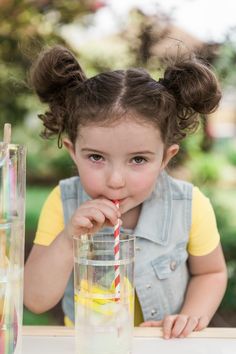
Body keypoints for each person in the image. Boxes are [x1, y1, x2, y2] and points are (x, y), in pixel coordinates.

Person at [24, 45, 227, 339]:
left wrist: (190, 316)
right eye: (96, 157)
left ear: (165, 159)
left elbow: (211, 272)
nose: (116, 180)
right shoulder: (63, 202)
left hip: (161, 345)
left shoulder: (190, 205)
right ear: (73, 152)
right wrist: (69, 239)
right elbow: (35, 300)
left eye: (138, 160)